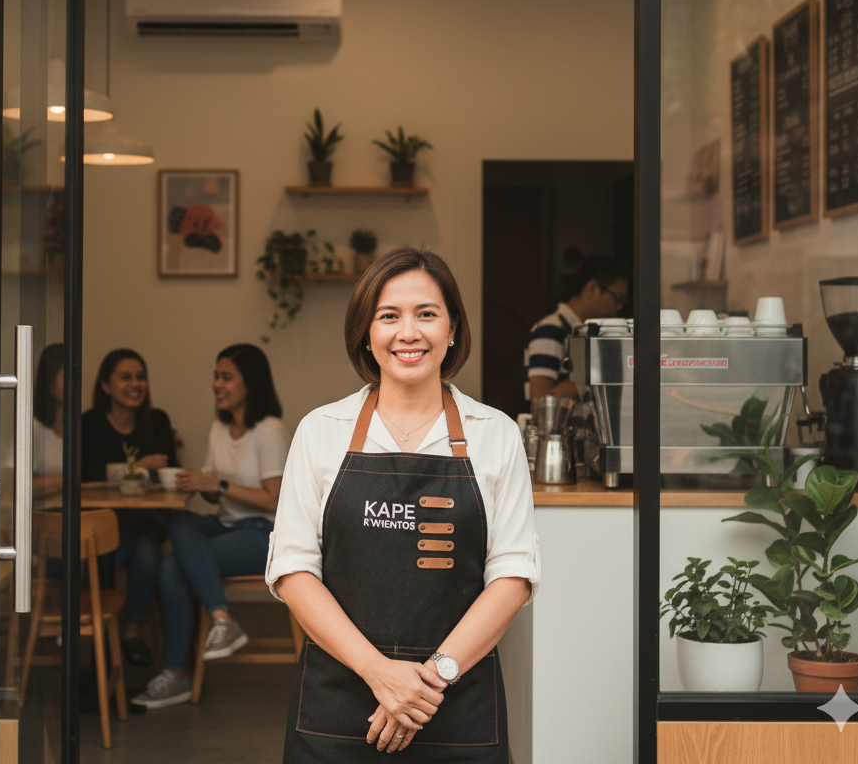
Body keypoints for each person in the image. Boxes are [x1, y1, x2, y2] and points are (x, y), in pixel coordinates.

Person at [267, 247, 539, 760]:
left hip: (456, 706)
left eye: (427, 314)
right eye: (388, 316)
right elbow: (293, 570)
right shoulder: (320, 432)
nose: (408, 332)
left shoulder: (495, 435)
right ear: (366, 334)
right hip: (339, 704)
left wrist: (427, 682)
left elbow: (513, 575)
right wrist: (379, 673)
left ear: (453, 328)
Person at [130, 343, 290, 710]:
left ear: (250, 383)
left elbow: (273, 499)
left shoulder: (269, 430)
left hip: (267, 534)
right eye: (215, 376)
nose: (217, 384)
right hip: (228, 524)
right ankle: (220, 620)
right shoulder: (219, 429)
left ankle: (177, 673)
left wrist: (214, 485)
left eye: (226, 377)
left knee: (174, 566)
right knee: (181, 521)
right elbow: (213, 489)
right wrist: (191, 482)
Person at [82, 348, 179, 668]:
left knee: (138, 540)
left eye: (141, 376)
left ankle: (114, 631)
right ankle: (122, 632)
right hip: (103, 520)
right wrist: (136, 467)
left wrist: (131, 470)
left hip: (146, 516)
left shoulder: (158, 420)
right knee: (145, 550)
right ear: (106, 386)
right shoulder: (90, 423)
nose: (136, 383)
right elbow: (83, 473)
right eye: (125, 377)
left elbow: (169, 471)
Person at [523, 254, 630, 408]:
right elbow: (540, 404)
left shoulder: (585, 333)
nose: (619, 307)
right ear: (592, 288)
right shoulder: (550, 330)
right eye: (617, 298)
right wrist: (593, 380)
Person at [32, 343, 65, 497]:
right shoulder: (33, 429)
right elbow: (13, 484)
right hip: (42, 516)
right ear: (50, 384)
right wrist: (68, 479)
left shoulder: (83, 428)